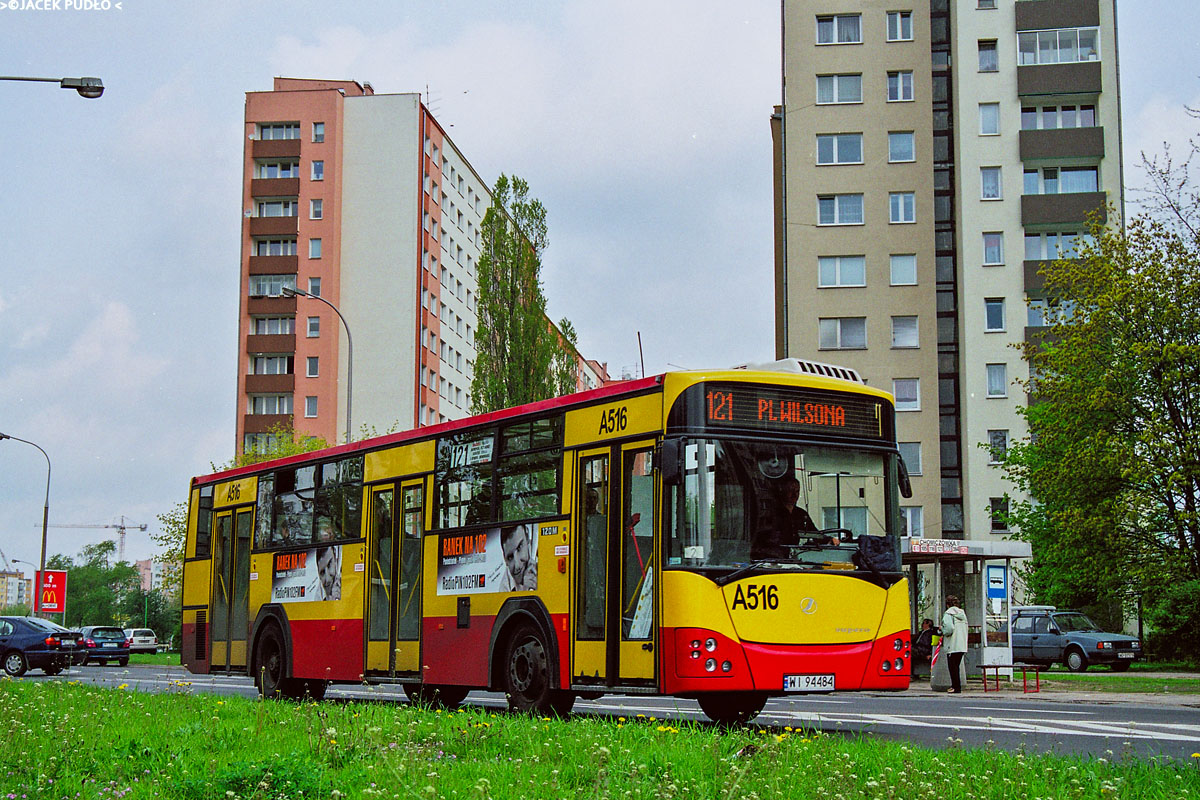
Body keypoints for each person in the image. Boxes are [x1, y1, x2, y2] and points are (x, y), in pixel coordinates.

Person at [941, 595, 968, 693]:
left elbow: (949, 629)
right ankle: (957, 686)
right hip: (962, 645)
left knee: (952, 667)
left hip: (952, 644)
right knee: (957, 666)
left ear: (948, 605)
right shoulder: (962, 614)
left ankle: (955, 687)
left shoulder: (948, 614)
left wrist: (942, 630)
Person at [501, 524, 537, 591]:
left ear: (527, 537)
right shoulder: (506, 584)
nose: (517, 566)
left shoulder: (545, 564)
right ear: (505, 559)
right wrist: (526, 591)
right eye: (510, 557)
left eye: (519, 547)